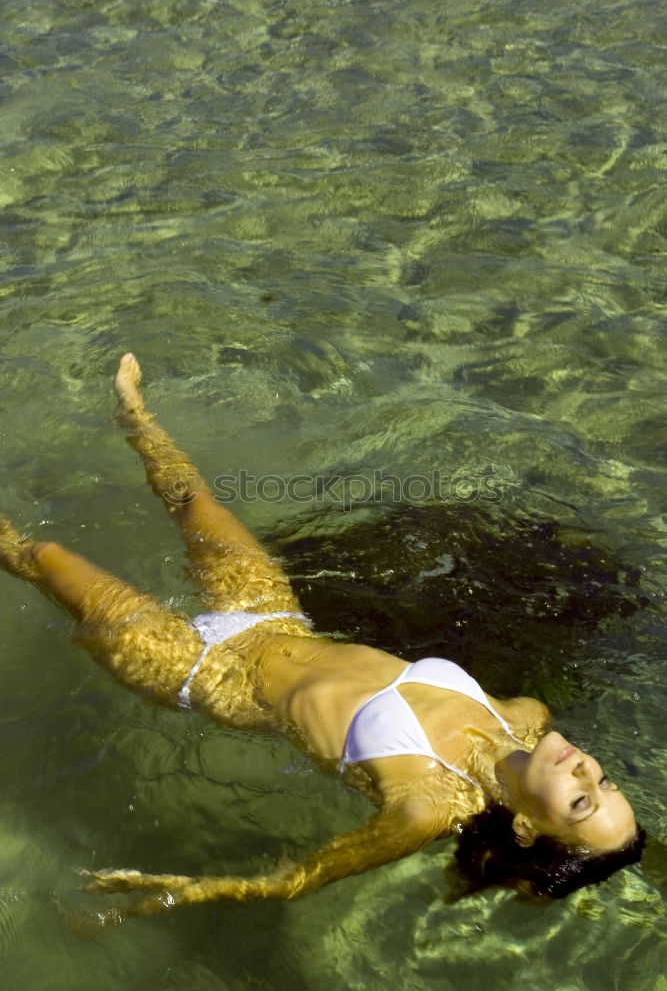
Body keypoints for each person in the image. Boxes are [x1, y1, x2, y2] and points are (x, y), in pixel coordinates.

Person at [0, 354, 644, 920]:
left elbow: (294, 879)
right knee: (191, 498)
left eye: (582, 801)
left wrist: (180, 892)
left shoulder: (424, 805)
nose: (589, 769)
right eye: (606, 781)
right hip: (271, 615)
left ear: (527, 828)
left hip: (202, 672)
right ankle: (133, 413)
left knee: (44, 555)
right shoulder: (524, 718)